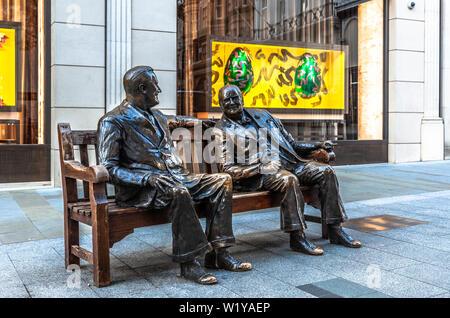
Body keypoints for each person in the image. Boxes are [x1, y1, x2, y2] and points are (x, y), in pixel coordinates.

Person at [97, 67, 252, 285]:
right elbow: (109, 168)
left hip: (177, 177)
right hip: (143, 189)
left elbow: (179, 120)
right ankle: (189, 265)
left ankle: (219, 254)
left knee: (222, 181)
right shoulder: (112, 121)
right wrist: (146, 179)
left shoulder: (158, 116)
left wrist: (203, 123)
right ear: (142, 88)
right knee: (179, 192)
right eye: (155, 85)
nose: (159, 89)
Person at [214, 84, 361, 250]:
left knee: (326, 171)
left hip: (292, 163)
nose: (232, 102)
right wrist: (262, 166)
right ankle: (297, 237)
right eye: (227, 100)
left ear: (242, 98)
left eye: (235, 98)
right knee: (288, 180)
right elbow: (227, 169)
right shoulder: (221, 130)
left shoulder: (262, 115)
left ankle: (336, 230)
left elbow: (292, 144)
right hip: (259, 175)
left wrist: (316, 145)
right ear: (220, 104)